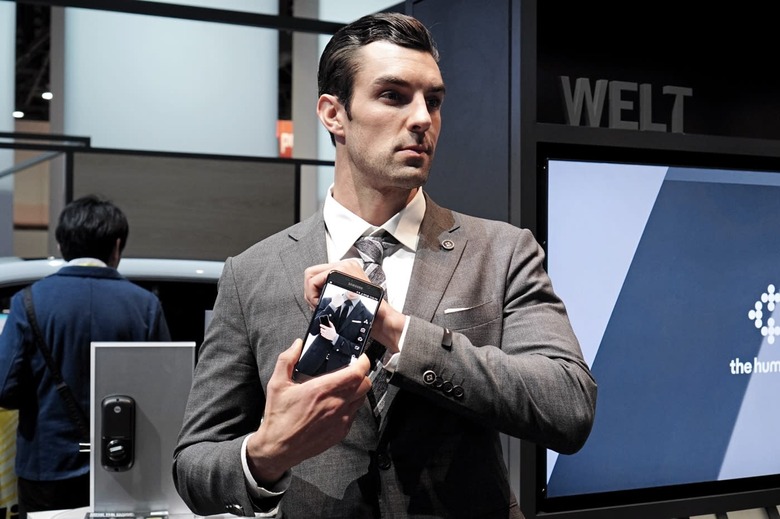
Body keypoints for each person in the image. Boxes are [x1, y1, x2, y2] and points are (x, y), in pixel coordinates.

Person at [173, 12, 597, 519]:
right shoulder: (253, 273)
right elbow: (193, 465)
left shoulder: (501, 251)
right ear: (334, 114)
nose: (422, 119)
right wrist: (266, 454)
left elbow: (568, 406)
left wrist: (397, 331)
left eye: (433, 101)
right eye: (393, 96)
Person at [0, 195, 171, 517]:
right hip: (124, 466)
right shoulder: (145, 305)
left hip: (47, 467)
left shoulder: (28, 302)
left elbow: (4, 389)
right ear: (117, 246)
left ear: (61, 244)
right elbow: (162, 394)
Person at [296, 290, 374, 376]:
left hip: (336, 370)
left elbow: (358, 350)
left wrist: (335, 338)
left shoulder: (367, 316)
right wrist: (332, 307)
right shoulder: (327, 301)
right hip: (311, 360)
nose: (353, 291)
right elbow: (313, 330)